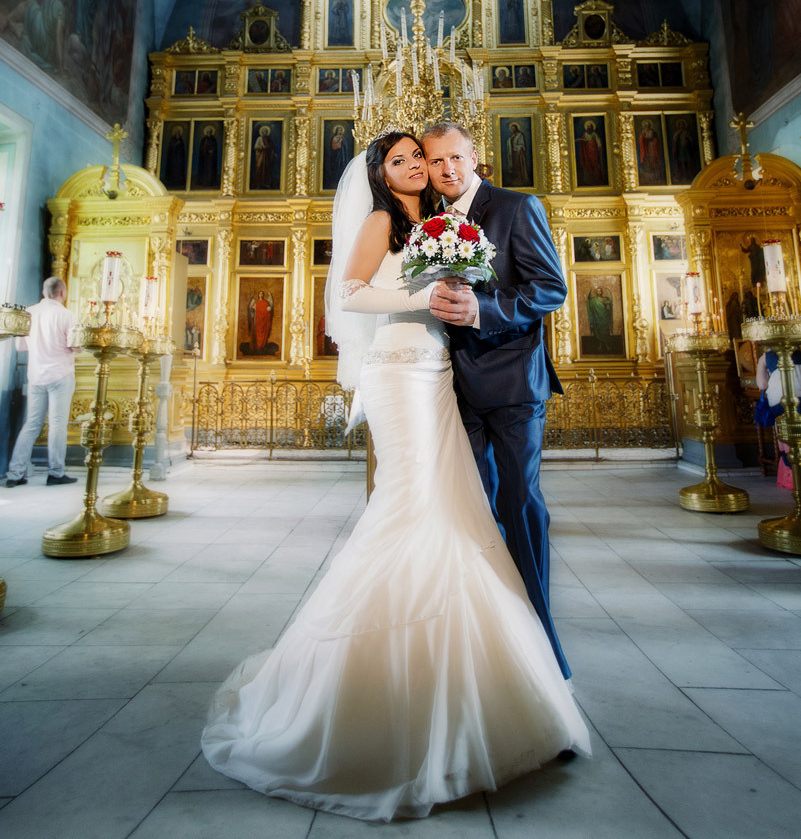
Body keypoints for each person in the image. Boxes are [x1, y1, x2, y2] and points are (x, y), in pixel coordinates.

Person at [202, 131, 590, 820]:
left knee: (475, 511)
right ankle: (383, 681)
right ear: (381, 173)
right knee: (415, 508)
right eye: (407, 159)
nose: (423, 167)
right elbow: (350, 294)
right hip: (403, 375)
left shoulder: (470, 216)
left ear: (471, 160)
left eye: (432, 158)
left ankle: (505, 664)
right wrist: (422, 297)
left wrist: (468, 303)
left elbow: (542, 288)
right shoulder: (384, 220)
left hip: (458, 378)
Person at [421, 122, 572, 680]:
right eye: (436, 162)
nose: (447, 169)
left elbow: (549, 287)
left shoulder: (515, 207)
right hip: (454, 387)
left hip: (512, 385)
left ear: (475, 155)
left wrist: (486, 311)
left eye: (455, 157)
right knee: (471, 508)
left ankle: (542, 639)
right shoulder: (427, 225)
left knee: (518, 503)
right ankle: (486, 639)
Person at [5, 277, 80, 487]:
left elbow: (20, 346)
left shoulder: (29, 312)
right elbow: (76, 346)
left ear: (44, 292)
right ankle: (56, 472)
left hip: (36, 375)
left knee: (31, 424)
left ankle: (15, 474)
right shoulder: (66, 315)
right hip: (60, 374)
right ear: (63, 293)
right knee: (57, 425)